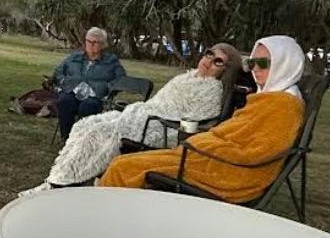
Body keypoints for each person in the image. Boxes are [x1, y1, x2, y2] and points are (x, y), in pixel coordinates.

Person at [98, 35, 306, 200]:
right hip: (208, 157)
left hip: (229, 173)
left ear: (285, 64)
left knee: (123, 167)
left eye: (264, 63)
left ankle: (108, 215)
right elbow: (238, 134)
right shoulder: (270, 96)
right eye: (252, 63)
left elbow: (258, 152)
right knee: (124, 163)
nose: (256, 69)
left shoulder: (284, 106)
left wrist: (205, 144)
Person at [22, 43, 242, 192]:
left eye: (218, 61)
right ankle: (59, 175)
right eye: (209, 54)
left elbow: (195, 121)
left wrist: (153, 115)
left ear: (225, 70)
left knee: (99, 132)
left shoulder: (212, 90)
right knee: (85, 125)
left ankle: (63, 183)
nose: (209, 61)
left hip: (161, 127)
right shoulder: (188, 77)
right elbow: (160, 100)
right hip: (147, 113)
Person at [50, 27, 126, 142]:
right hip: (72, 90)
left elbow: (121, 79)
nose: (91, 44)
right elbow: (58, 72)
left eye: (95, 42)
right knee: (65, 101)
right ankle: (66, 138)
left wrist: (106, 88)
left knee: (88, 106)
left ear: (103, 44)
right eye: (88, 41)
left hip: (95, 95)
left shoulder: (111, 61)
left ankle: (82, 140)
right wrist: (64, 82)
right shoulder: (74, 57)